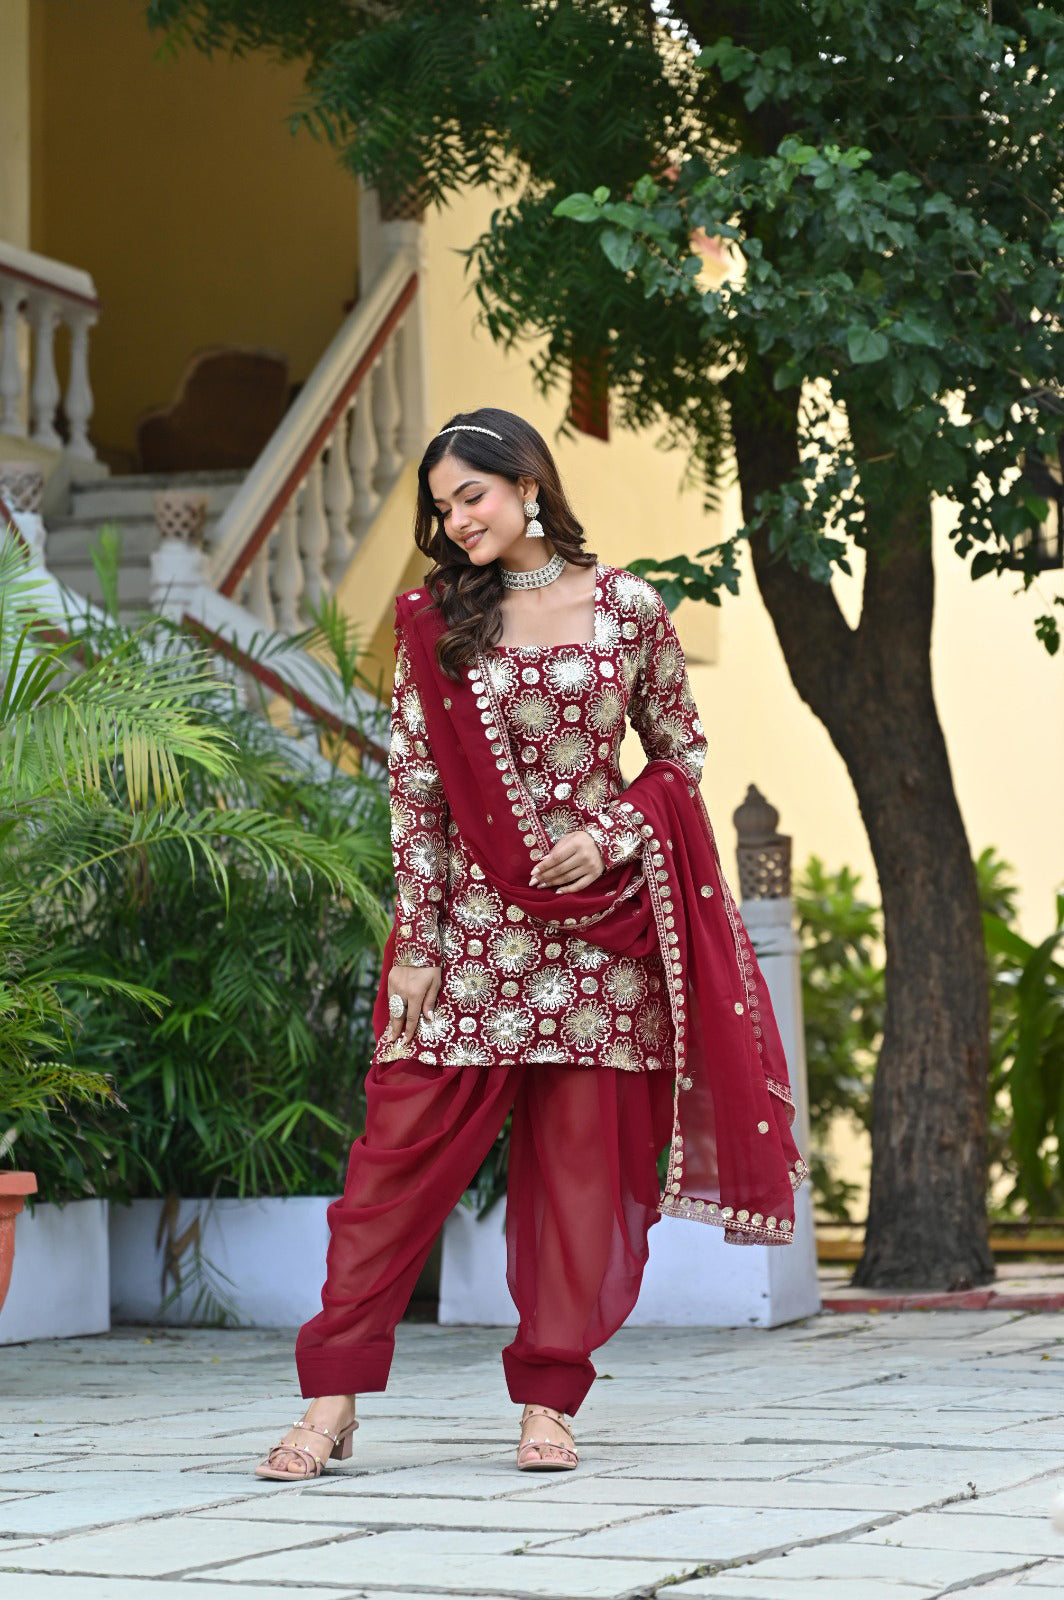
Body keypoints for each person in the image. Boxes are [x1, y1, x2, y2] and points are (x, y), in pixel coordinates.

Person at [255, 406, 806, 1481]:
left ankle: (549, 1400)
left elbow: (678, 755)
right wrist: (414, 941)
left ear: (528, 485)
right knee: (391, 1172)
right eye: (441, 504)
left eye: (472, 494)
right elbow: (413, 789)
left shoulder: (628, 609)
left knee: (578, 1180)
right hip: (468, 942)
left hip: (600, 946)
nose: (454, 519)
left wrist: (605, 835)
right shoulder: (433, 622)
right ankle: (331, 1399)